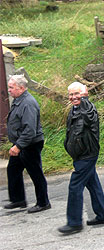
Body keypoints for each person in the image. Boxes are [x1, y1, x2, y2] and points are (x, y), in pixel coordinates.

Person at [58, 82, 104, 235]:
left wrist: (84, 99)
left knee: (75, 186)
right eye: (71, 94)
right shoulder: (75, 109)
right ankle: (103, 215)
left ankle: (74, 223)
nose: (73, 97)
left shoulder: (87, 108)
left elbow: (87, 116)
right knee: (93, 184)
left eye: (77, 94)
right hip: (81, 154)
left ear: (85, 93)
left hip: (87, 155)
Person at [4, 75, 51, 213]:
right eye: (9, 87)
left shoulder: (28, 103)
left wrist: (18, 146)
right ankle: (18, 199)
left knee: (35, 173)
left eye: (11, 87)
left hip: (30, 144)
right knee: (13, 169)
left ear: (21, 88)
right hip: (21, 143)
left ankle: (43, 202)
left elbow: (30, 130)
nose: (9, 90)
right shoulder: (19, 100)